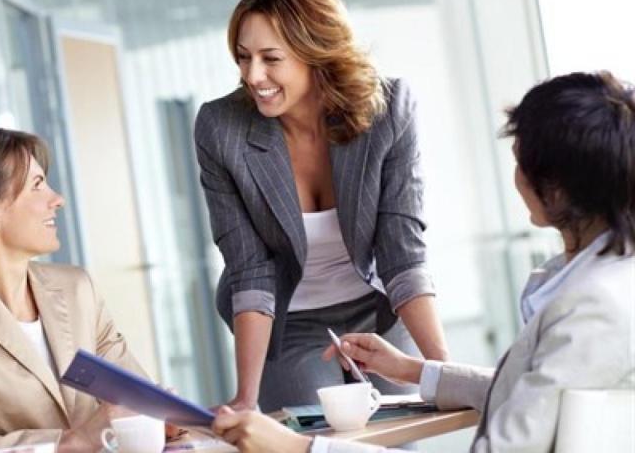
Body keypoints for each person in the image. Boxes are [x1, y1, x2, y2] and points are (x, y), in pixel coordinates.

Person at [211, 71, 635, 452]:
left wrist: (300, 449)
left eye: (519, 160)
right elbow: (537, 394)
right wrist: (416, 370)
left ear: (555, 190)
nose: (516, 178)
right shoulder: (606, 282)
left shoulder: (593, 309)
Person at [194, 0, 448, 412]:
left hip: (378, 308)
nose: (253, 76)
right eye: (243, 57)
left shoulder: (388, 109)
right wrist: (246, 399)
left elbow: (401, 250)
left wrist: (445, 372)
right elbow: (249, 267)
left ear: (317, 52)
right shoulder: (221, 129)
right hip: (288, 319)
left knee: (398, 435)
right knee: (313, 435)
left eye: (271, 58)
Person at [0, 128, 165, 452]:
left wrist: (174, 418)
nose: (58, 199)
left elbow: (138, 402)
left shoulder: (77, 289)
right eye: (37, 185)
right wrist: (69, 443)